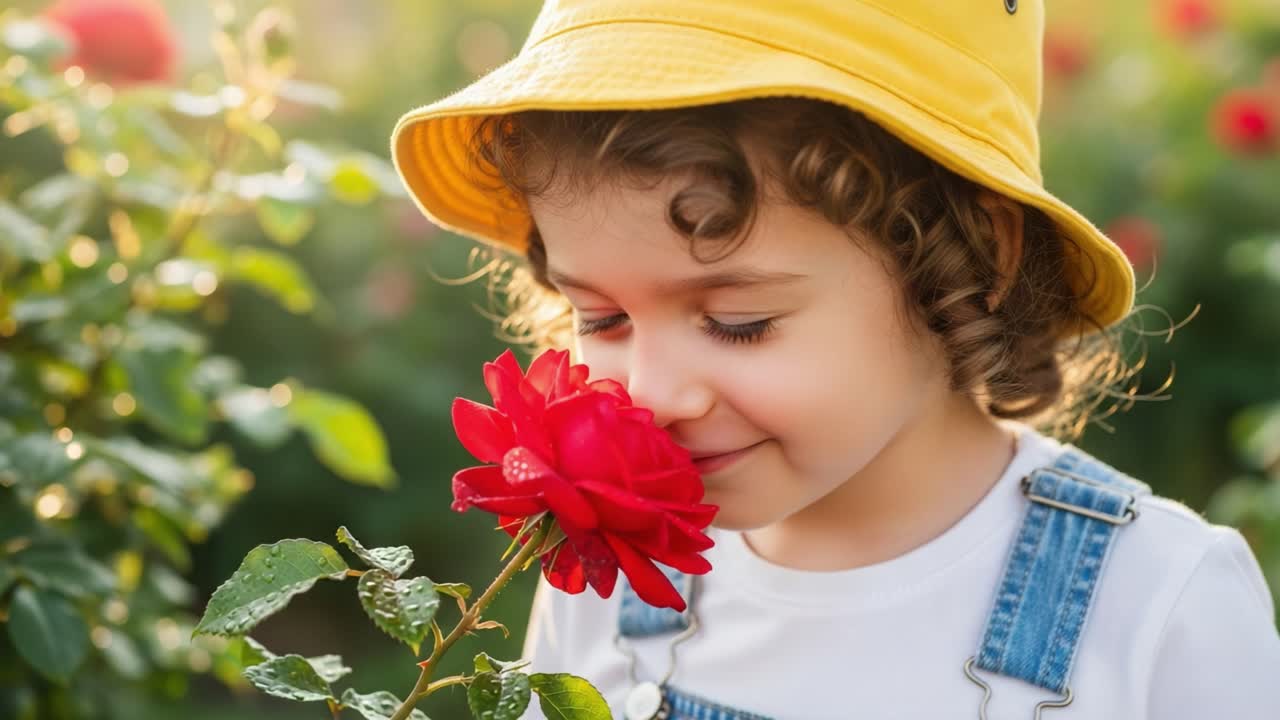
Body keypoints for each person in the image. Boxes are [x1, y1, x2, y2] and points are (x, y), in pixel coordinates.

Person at [389, 1, 1280, 718]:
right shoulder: (605, 582)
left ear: (973, 259)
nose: (651, 395)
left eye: (739, 321)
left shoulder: (1156, 608)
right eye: (603, 316)